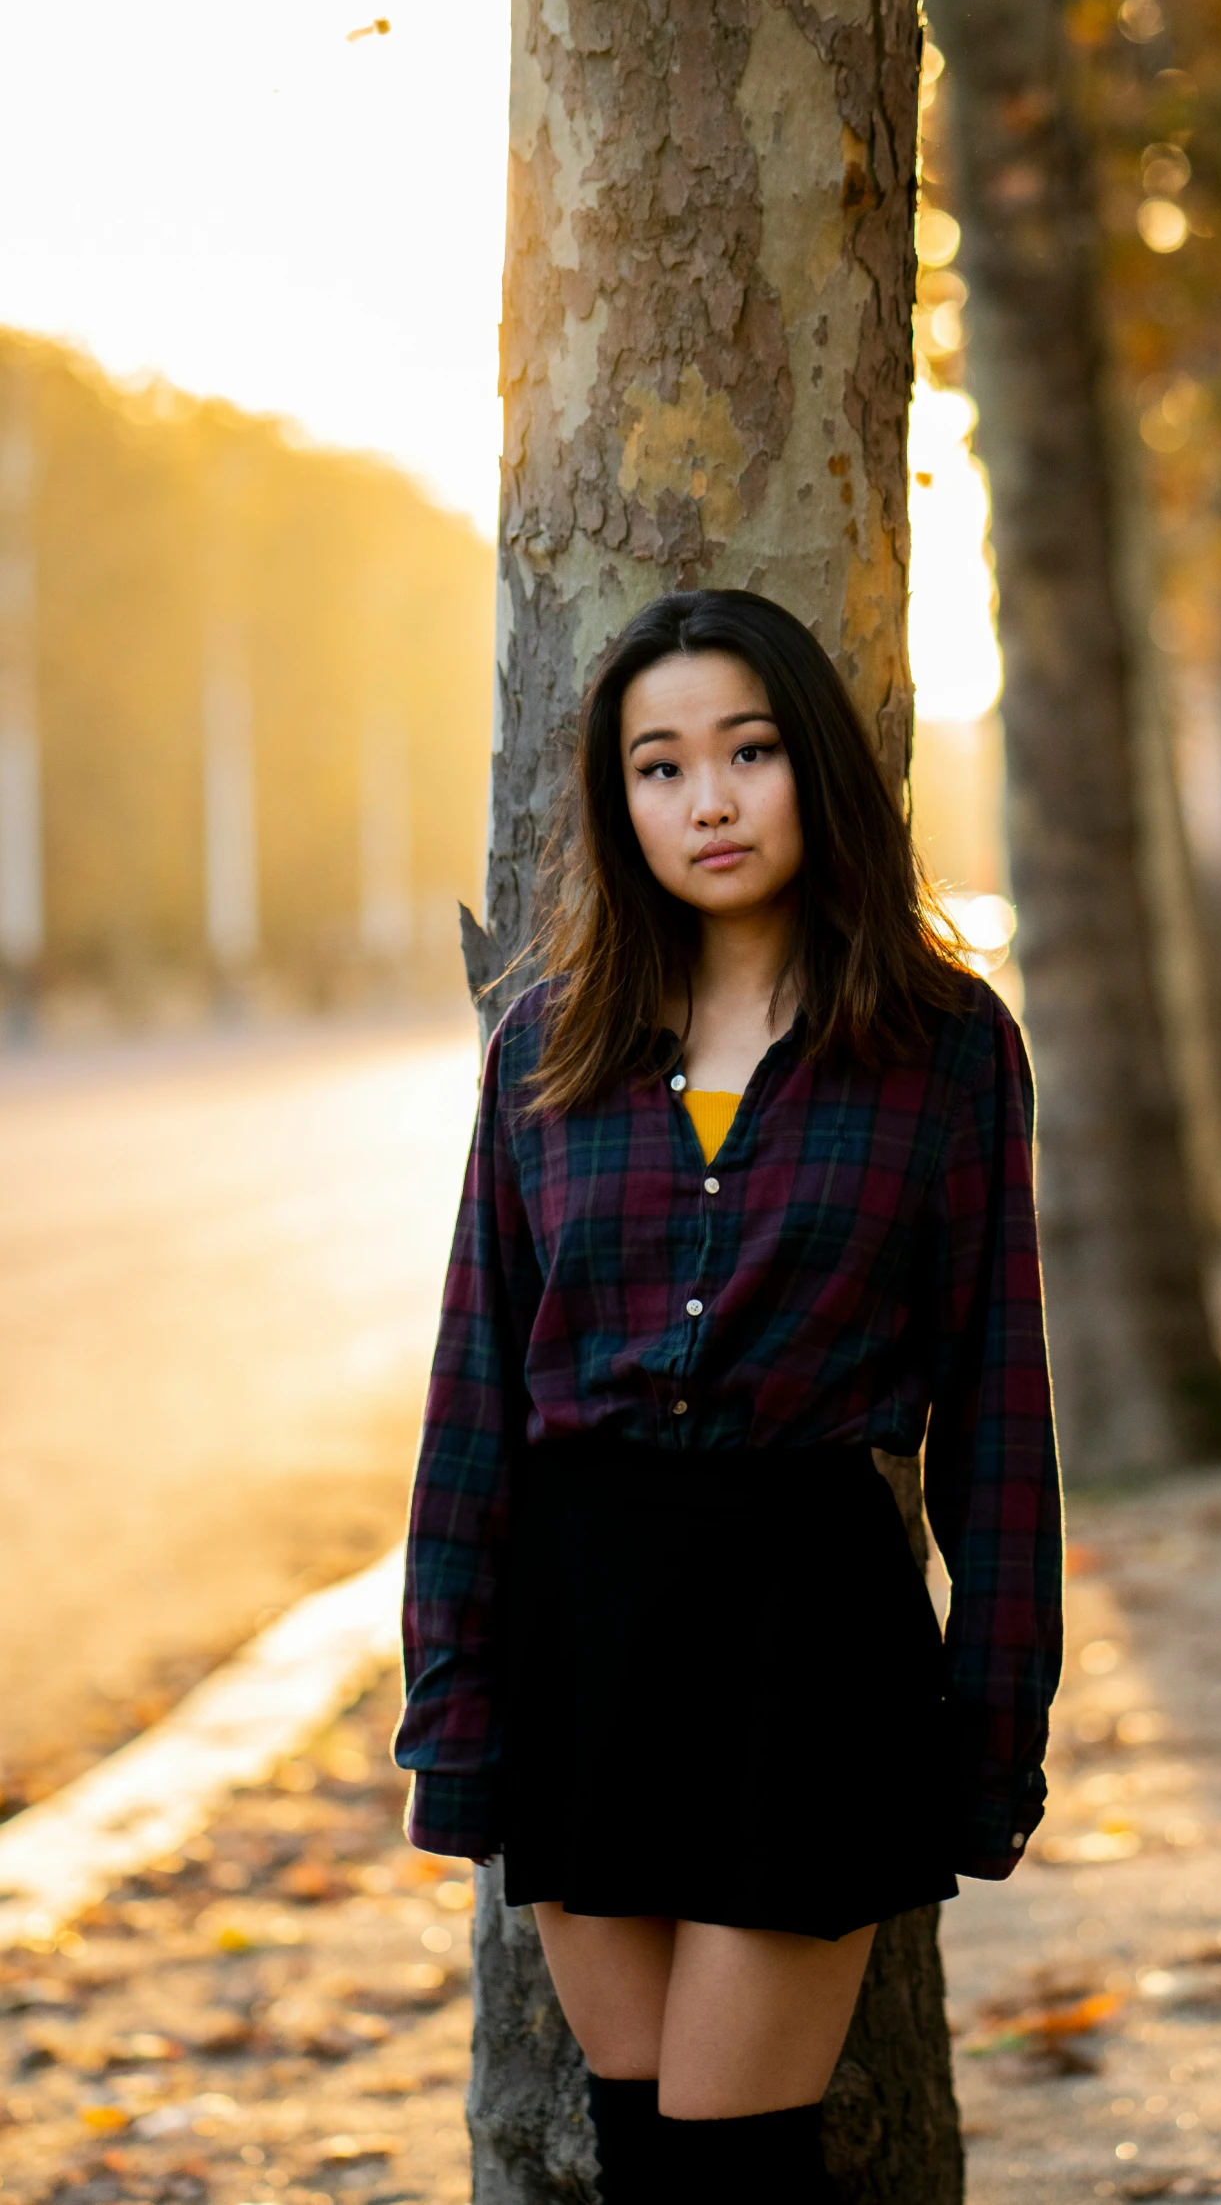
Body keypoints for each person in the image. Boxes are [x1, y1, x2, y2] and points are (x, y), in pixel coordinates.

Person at [393, 588, 1062, 2203]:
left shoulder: (945, 1046)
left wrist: (993, 1722)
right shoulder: (547, 1045)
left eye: (748, 751)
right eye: (659, 764)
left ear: (813, 768)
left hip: (807, 1652)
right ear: (617, 802)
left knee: (738, 2168)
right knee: (643, 2158)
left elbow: (997, 1417)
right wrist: (456, 1701)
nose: (707, 800)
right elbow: (476, 1388)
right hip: (583, 1643)